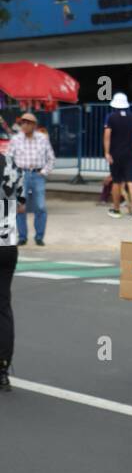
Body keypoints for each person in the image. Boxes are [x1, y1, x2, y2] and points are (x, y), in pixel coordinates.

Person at [5, 111, 54, 247]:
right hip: (21, 175)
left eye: (27, 123)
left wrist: (44, 172)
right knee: (20, 207)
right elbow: (8, 158)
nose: (24, 125)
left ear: (34, 125)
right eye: (22, 122)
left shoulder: (43, 139)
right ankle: (22, 237)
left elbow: (51, 158)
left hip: (38, 176)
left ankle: (39, 237)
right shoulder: (16, 139)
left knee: (40, 206)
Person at [0, 142, 25, 390]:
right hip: (7, 240)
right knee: (3, 306)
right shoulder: (10, 164)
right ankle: (3, 369)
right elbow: (21, 203)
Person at [104, 92, 132, 219]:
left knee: (117, 181)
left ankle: (116, 209)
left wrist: (107, 152)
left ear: (114, 105)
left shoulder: (111, 117)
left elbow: (107, 136)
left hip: (116, 154)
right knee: (131, 181)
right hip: (131, 154)